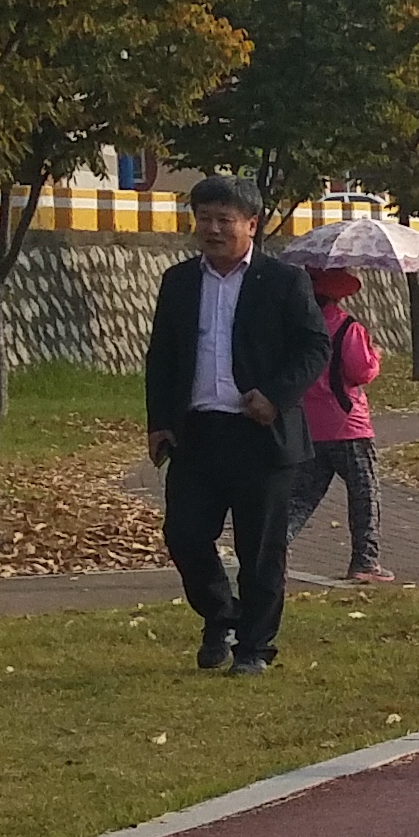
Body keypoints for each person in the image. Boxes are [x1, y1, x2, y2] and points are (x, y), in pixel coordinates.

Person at [142, 176, 327, 673]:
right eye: (204, 218)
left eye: (225, 219)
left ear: (252, 224)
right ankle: (221, 615)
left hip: (261, 435)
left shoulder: (283, 281)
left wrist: (275, 397)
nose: (213, 229)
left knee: (260, 550)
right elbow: (162, 356)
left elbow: (315, 347)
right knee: (185, 535)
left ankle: (254, 647)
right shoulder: (179, 282)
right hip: (197, 433)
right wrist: (159, 421)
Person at [284, 263, 392, 585]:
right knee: (364, 492)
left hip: (310, 424)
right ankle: (365, 561)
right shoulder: (347, 327)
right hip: (348, 425)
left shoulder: (296, 328)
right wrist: (375, 356)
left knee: (302, 496)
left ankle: (275, 548)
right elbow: (359, 371)